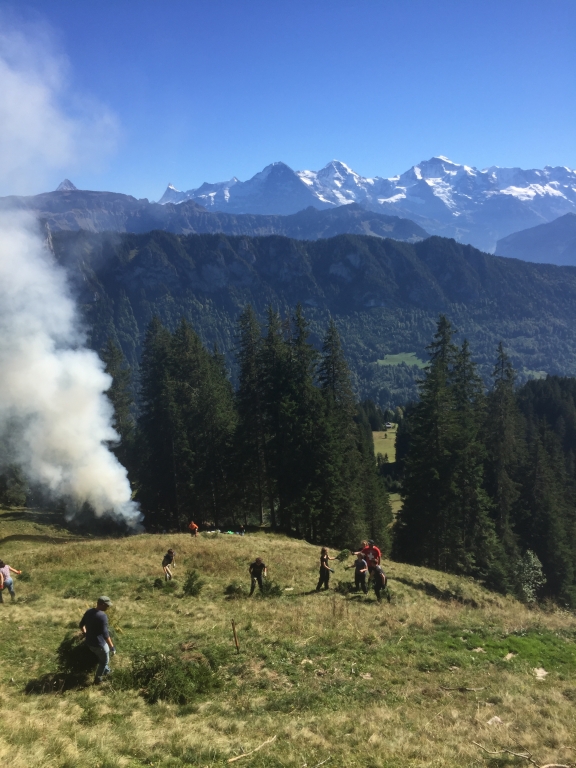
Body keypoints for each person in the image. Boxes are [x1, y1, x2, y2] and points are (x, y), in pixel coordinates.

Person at [79, 596, 116, 683]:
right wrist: (112, 647)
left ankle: (107, 672)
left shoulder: (89, 612)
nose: (108, 607)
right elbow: (105, 634)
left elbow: (81, 625)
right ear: (102, 604)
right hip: (100, 644)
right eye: (107, 605)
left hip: (89, 643)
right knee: (104, 662)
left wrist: (85, 633)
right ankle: (98, 679)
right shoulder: (102, 616)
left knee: (101, 659)